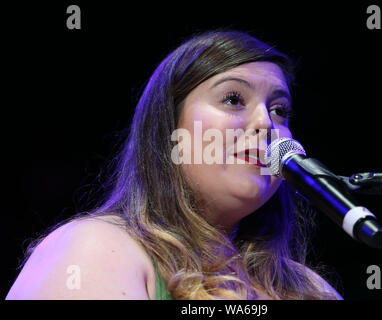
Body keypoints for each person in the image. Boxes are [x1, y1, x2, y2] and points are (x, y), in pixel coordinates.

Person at [6, 29, 343, 300]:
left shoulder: (309, 290)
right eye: (233, 99)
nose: (266, 124)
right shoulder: (97, 248)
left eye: (279, 109)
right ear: (169, 130)